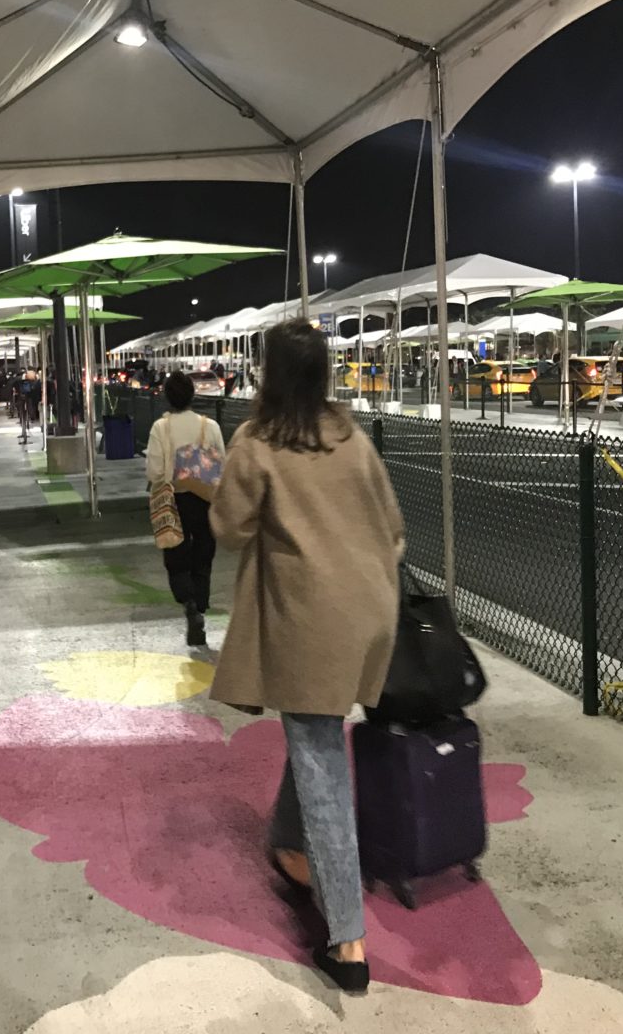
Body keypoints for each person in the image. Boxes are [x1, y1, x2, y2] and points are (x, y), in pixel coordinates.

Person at [209, 320, 404, 994]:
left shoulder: (257, 442)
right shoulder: (351, 437)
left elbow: (229, 528)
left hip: (307, 620)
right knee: (313, 731)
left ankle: (347, 940)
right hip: (371, 609)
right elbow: (394, 527)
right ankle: (289, 846)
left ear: (269, 372)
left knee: (322, 764)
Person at [145, 371, 226, 646]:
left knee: (176, 556)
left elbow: (155, 471)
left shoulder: (161, 428)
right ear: (193, 395)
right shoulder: (210, 426)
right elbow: (221, 465)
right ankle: (200, 607)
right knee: (203, 554)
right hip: (204, 500)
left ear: (167, 397)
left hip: (173, 501)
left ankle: (188, 602)